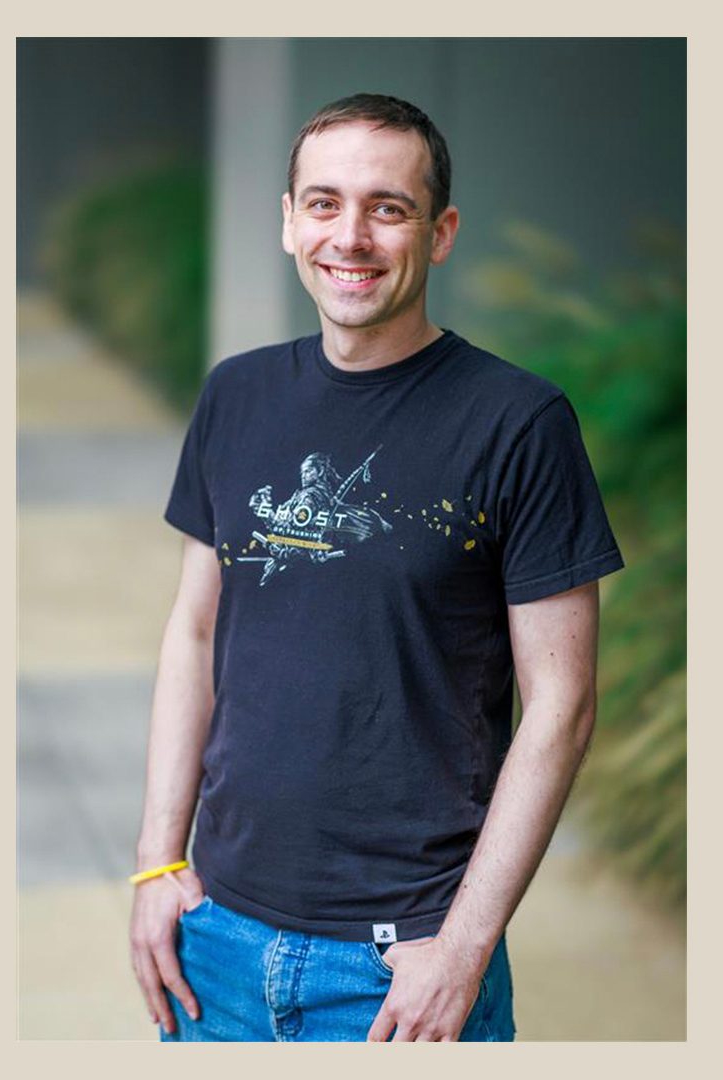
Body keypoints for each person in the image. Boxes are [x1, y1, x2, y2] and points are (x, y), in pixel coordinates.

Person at [128, 93, 622, 1042]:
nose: (349, 237)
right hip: (216, 938)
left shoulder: (518, 423)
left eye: (386, 208)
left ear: (439, 234)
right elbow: (195, 632)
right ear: (287, 221)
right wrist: (158, 863)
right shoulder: (238, 393)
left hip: (400, 964)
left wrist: (465, 948)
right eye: (323, 203)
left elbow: (563, 705)